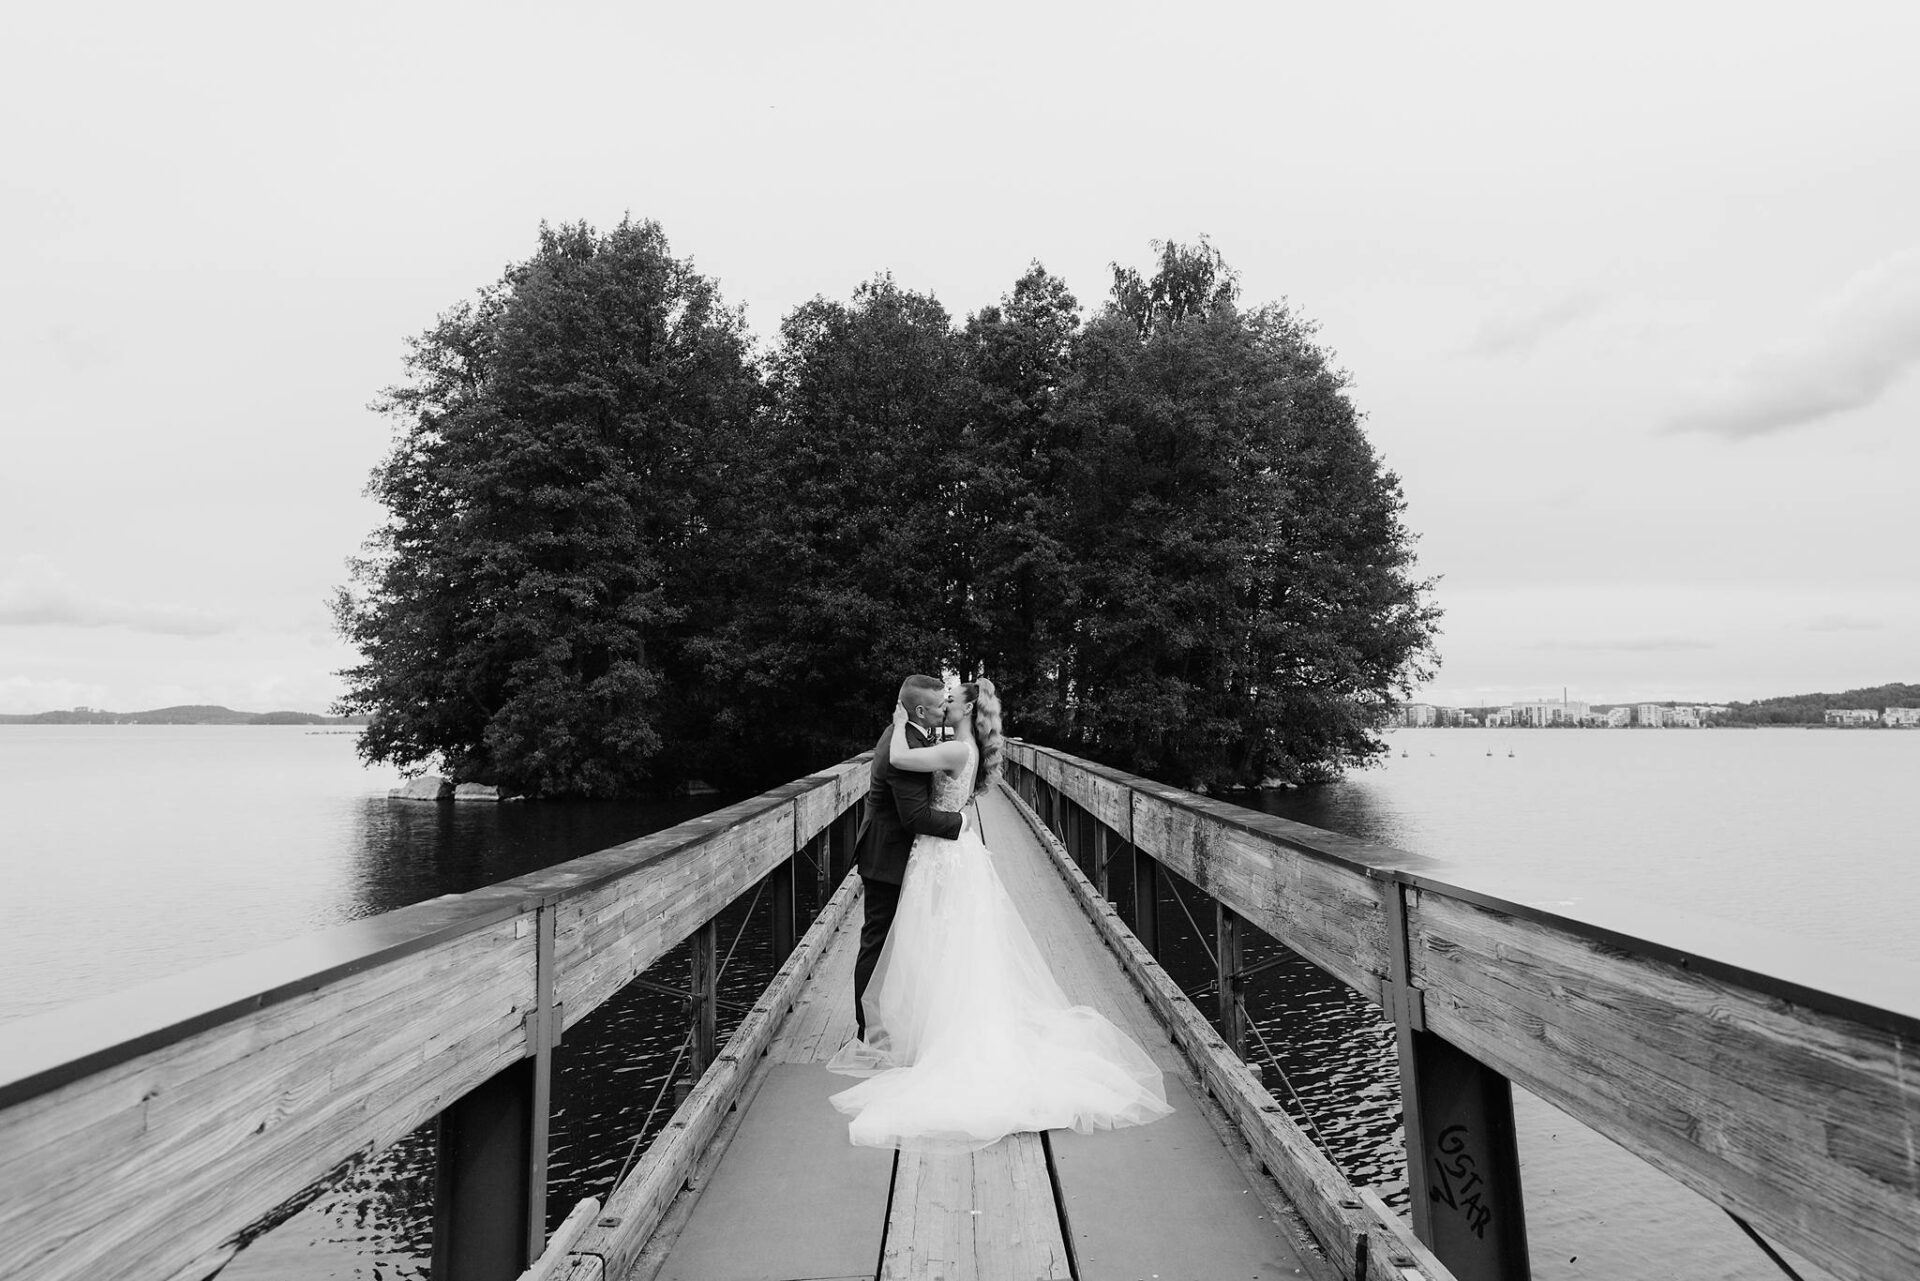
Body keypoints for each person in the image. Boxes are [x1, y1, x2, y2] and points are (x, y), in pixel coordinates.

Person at [827, 677, 1173, 1153]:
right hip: (923, 853)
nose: (945, 704)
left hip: (940, 853)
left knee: (936, 942)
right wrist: (957, 811)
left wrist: (902, 724)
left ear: (967, 710)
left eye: (951, 700)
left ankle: (921, 1035)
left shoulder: (951, 747)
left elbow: (908, 769)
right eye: (940, 701)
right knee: (929, 942)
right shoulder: (939, 742)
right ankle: (886, 1033)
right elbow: (902, 772)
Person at [847, 673, 967, 1042]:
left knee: (901, 940)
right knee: (878, 941)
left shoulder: (910, 736)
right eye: (939, 705)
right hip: (887, 857)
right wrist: (961, 822)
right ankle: (869, 1032)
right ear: (920, 711)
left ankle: (895, 1019)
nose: (944, 709)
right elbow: (915, 817)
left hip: (900, 853)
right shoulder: (903, 746)